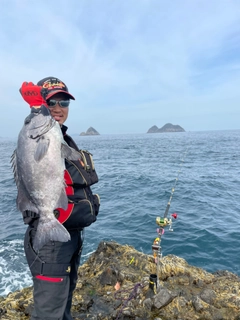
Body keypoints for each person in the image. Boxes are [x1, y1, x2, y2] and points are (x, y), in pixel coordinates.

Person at [19, 77, 100, 320]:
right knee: (48, 313)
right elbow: (28, 149)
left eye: (63, 102)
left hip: (69, 236)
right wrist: (36, 109)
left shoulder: (58, 136)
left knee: (64, 305)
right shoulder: (33, 135)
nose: (57, 108)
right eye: (51, 102)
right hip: (50, 244)